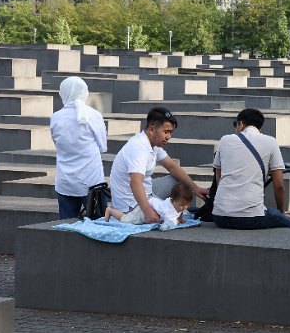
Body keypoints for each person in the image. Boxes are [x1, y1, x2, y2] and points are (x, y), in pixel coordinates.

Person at [109, 107, 208, 223]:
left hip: (148, 191)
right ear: (152, 129)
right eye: (166, 132)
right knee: (164, 218)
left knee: (182, 182)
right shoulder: (138, 147)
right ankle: (163, 210)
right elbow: (135, 182)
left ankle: (171, 209)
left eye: (170, 133)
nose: (168, 137)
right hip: (130, 203)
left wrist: (195, 188)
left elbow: (172, 166)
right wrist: (147, 211)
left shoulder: (154, 143)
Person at [211, 108, 290, 230]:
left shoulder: (225, 140)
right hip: (251, 218)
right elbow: (279, 186)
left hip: (219, 216)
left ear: (241, 124)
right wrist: (281, 212)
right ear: (259, 128)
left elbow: (219, 177)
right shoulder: (271, 142)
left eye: (236, 125)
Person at [50, 77, 108, 219]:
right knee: (99, 226)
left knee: (68, 229)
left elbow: (57, 143)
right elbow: (103, 146)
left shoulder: (55, 117)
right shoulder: (94, 115)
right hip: (92, 183)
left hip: (65, 182)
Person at [105, 181, 193, 228]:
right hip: (144, 210)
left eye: (187, 204)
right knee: (127, 220)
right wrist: (177, 222)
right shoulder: (168, 209)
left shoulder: (177, 205)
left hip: (152, 205)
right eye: (182, 205)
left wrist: (180, 219)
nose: (185, 207)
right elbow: (169, 223)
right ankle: (110, 211)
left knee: (129, 217)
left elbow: (180, 213)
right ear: (172, 200)